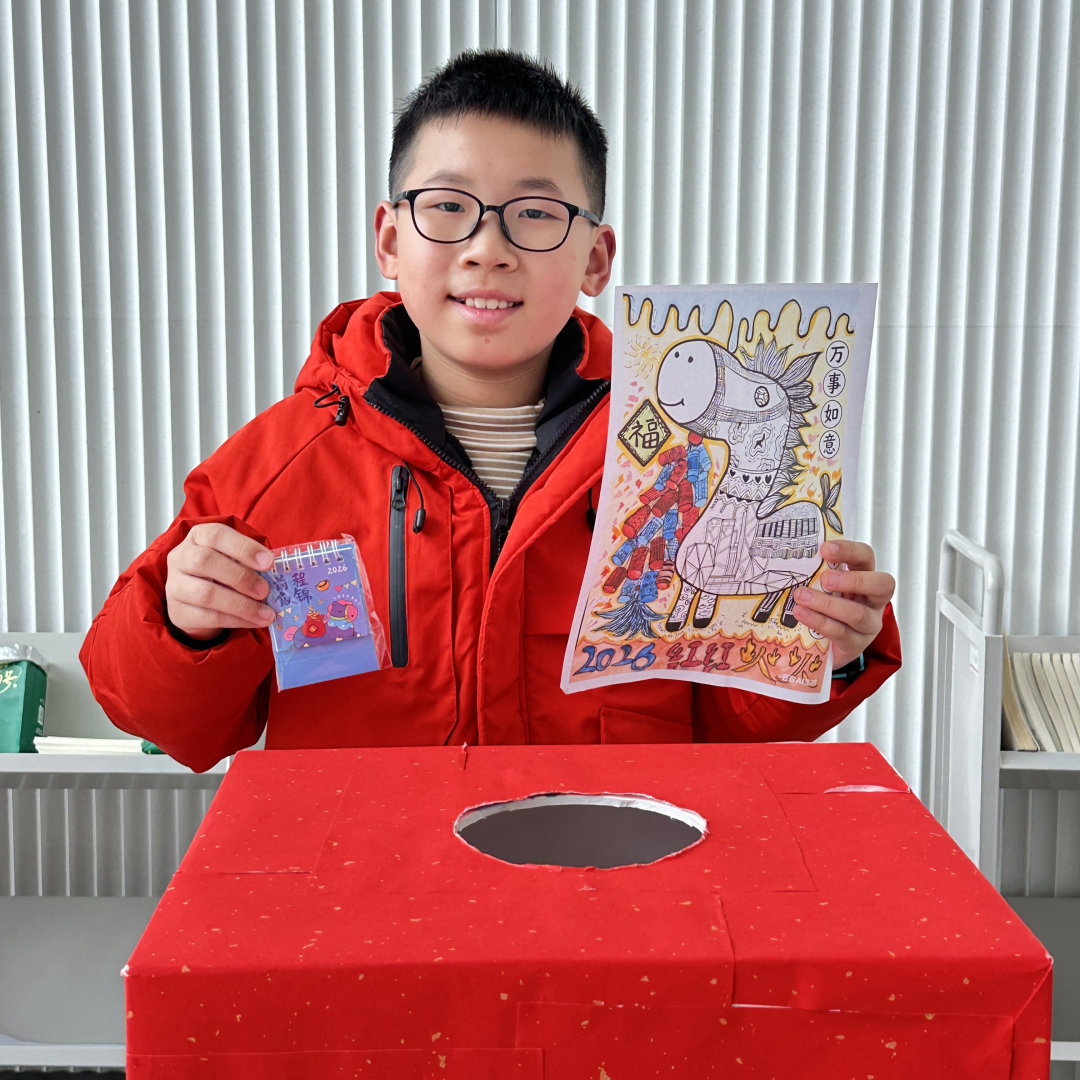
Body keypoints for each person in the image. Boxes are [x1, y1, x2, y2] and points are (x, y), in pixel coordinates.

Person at [80, 50, 900, 773]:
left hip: (610, 875)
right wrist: (188, 625)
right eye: (447, 205)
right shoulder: (282, 463)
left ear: (596, 258)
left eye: (535, 214)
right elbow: (165, 719)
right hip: (367, 883)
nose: (487, 248)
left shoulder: (677, 459)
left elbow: (726, 723)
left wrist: (821, 649)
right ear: (390, 239)